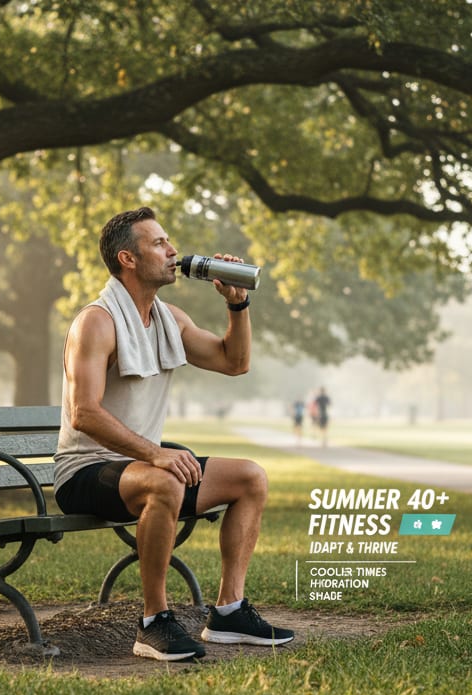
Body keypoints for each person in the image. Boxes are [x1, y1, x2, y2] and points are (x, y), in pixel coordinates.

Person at [53, 207, 294, 661]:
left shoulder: (170, 318)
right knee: (165, 480)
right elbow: (84, 413)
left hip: (141, 467)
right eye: (159, 243)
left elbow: (233, 362)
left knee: (251, 478)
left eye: (169, 242)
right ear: (128, 259)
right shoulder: (96, 322)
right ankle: (153, 622)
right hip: (85, 472)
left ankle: (229, 611)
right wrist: (156, 454)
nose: (173, 251)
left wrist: (237, 304)